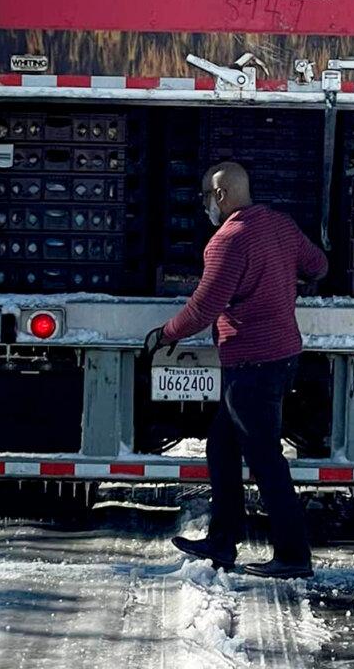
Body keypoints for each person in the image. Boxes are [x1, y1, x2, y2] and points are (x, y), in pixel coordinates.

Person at [144, 161, 328, 579]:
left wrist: (167, 334)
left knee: (265, 460)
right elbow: (318, 265)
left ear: (221, 195)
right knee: (221, 448)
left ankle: (293, 556)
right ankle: (222, 541)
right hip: (280, 357)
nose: (205, 206)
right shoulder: (281, 226)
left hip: (251, 364)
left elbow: (205, 306)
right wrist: (285, 278)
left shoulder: (227, 241)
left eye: (206, 197)